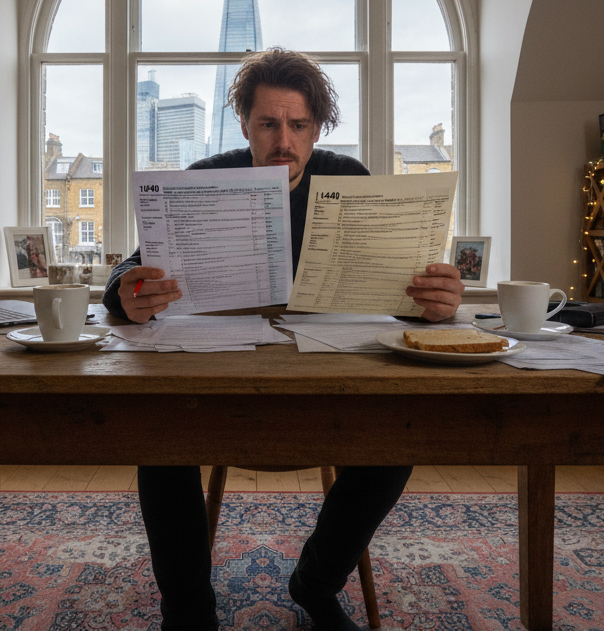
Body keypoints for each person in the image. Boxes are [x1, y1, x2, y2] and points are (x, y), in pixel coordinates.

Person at [102, 47, 465, 631]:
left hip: (331, 377)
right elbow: (132, 269)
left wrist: (434, 301)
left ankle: (316, 584)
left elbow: (400, 291)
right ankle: (188, 609)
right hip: (219, 377)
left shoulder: (349, 180)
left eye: (298, 125)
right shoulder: (203, 180)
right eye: (268, 124)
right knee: (159, 439)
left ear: (317, 127)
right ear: (244, 123)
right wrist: (125, 290)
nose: (283, 142)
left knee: (396, 441)